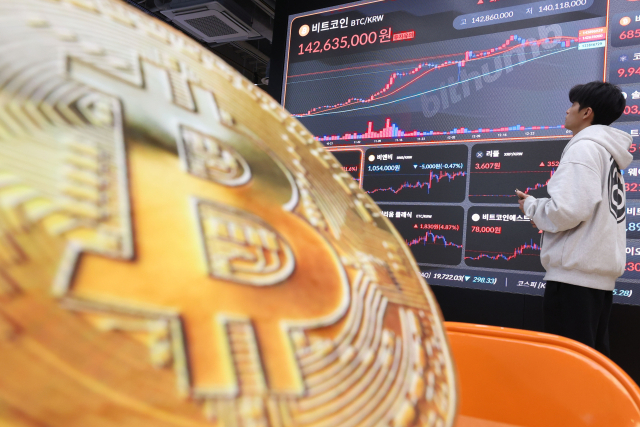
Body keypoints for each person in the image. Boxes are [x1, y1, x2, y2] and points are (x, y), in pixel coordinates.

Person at [516, 81, 632, 356]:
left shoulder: (583, 149)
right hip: (596, 284)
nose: (567, 110)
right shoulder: (608, 153)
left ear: (586, 113)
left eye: (573, 105)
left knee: (567, 366)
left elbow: (566, 211)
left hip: (572, 285)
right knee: (589, 363)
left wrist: (532, 207)